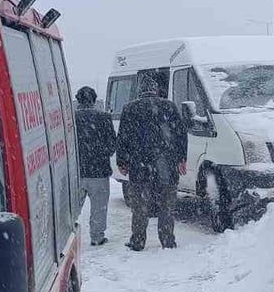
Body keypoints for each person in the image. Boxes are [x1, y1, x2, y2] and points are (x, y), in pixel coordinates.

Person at [116, 73, 188, 251]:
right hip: (166, 166)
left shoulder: (129, 109)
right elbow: (181, 135)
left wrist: (122, 161)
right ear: (156, 90)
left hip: (139, 167)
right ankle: (167, 240)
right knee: (166, 207)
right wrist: (182, 158)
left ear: (140, 91)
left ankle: (138, 241)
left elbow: (122, 137)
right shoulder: (169, 107)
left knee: (140, 208)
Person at [74, 86, 119, 245]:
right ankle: (97, 237)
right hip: (99, 171)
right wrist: (102, 153)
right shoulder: (104, 117)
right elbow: (112, 144)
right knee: (99, 207)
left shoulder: (71, 118)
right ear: (94, 100)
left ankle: (67, 236)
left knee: (71, 209)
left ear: (78, 100)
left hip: (76, 172)